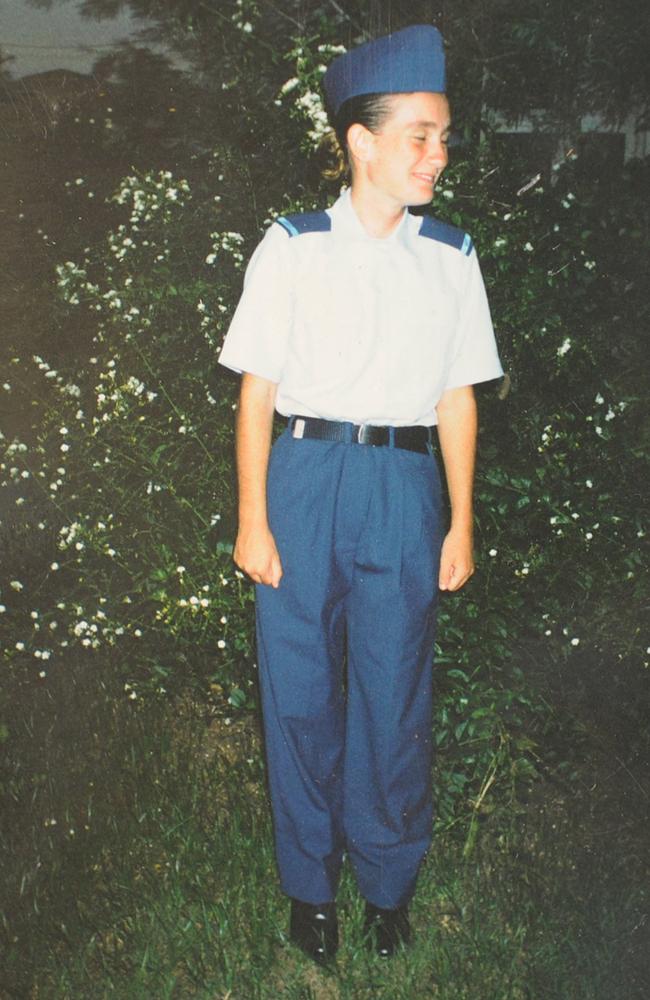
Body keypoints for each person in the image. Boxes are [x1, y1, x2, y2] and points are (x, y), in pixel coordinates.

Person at [218, 24, 503, 964]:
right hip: (303, 480)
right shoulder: (292, 249)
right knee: (299, 692)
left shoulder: (451, 258)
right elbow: (257, 390)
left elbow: (456, 396)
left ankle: (387, 881)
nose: (438, 154)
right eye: (420, 134)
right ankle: (311, 887)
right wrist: (254, 519)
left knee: (394, 689)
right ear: (362, 140)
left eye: (445, 136)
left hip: (403, 487)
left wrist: (461, 520)